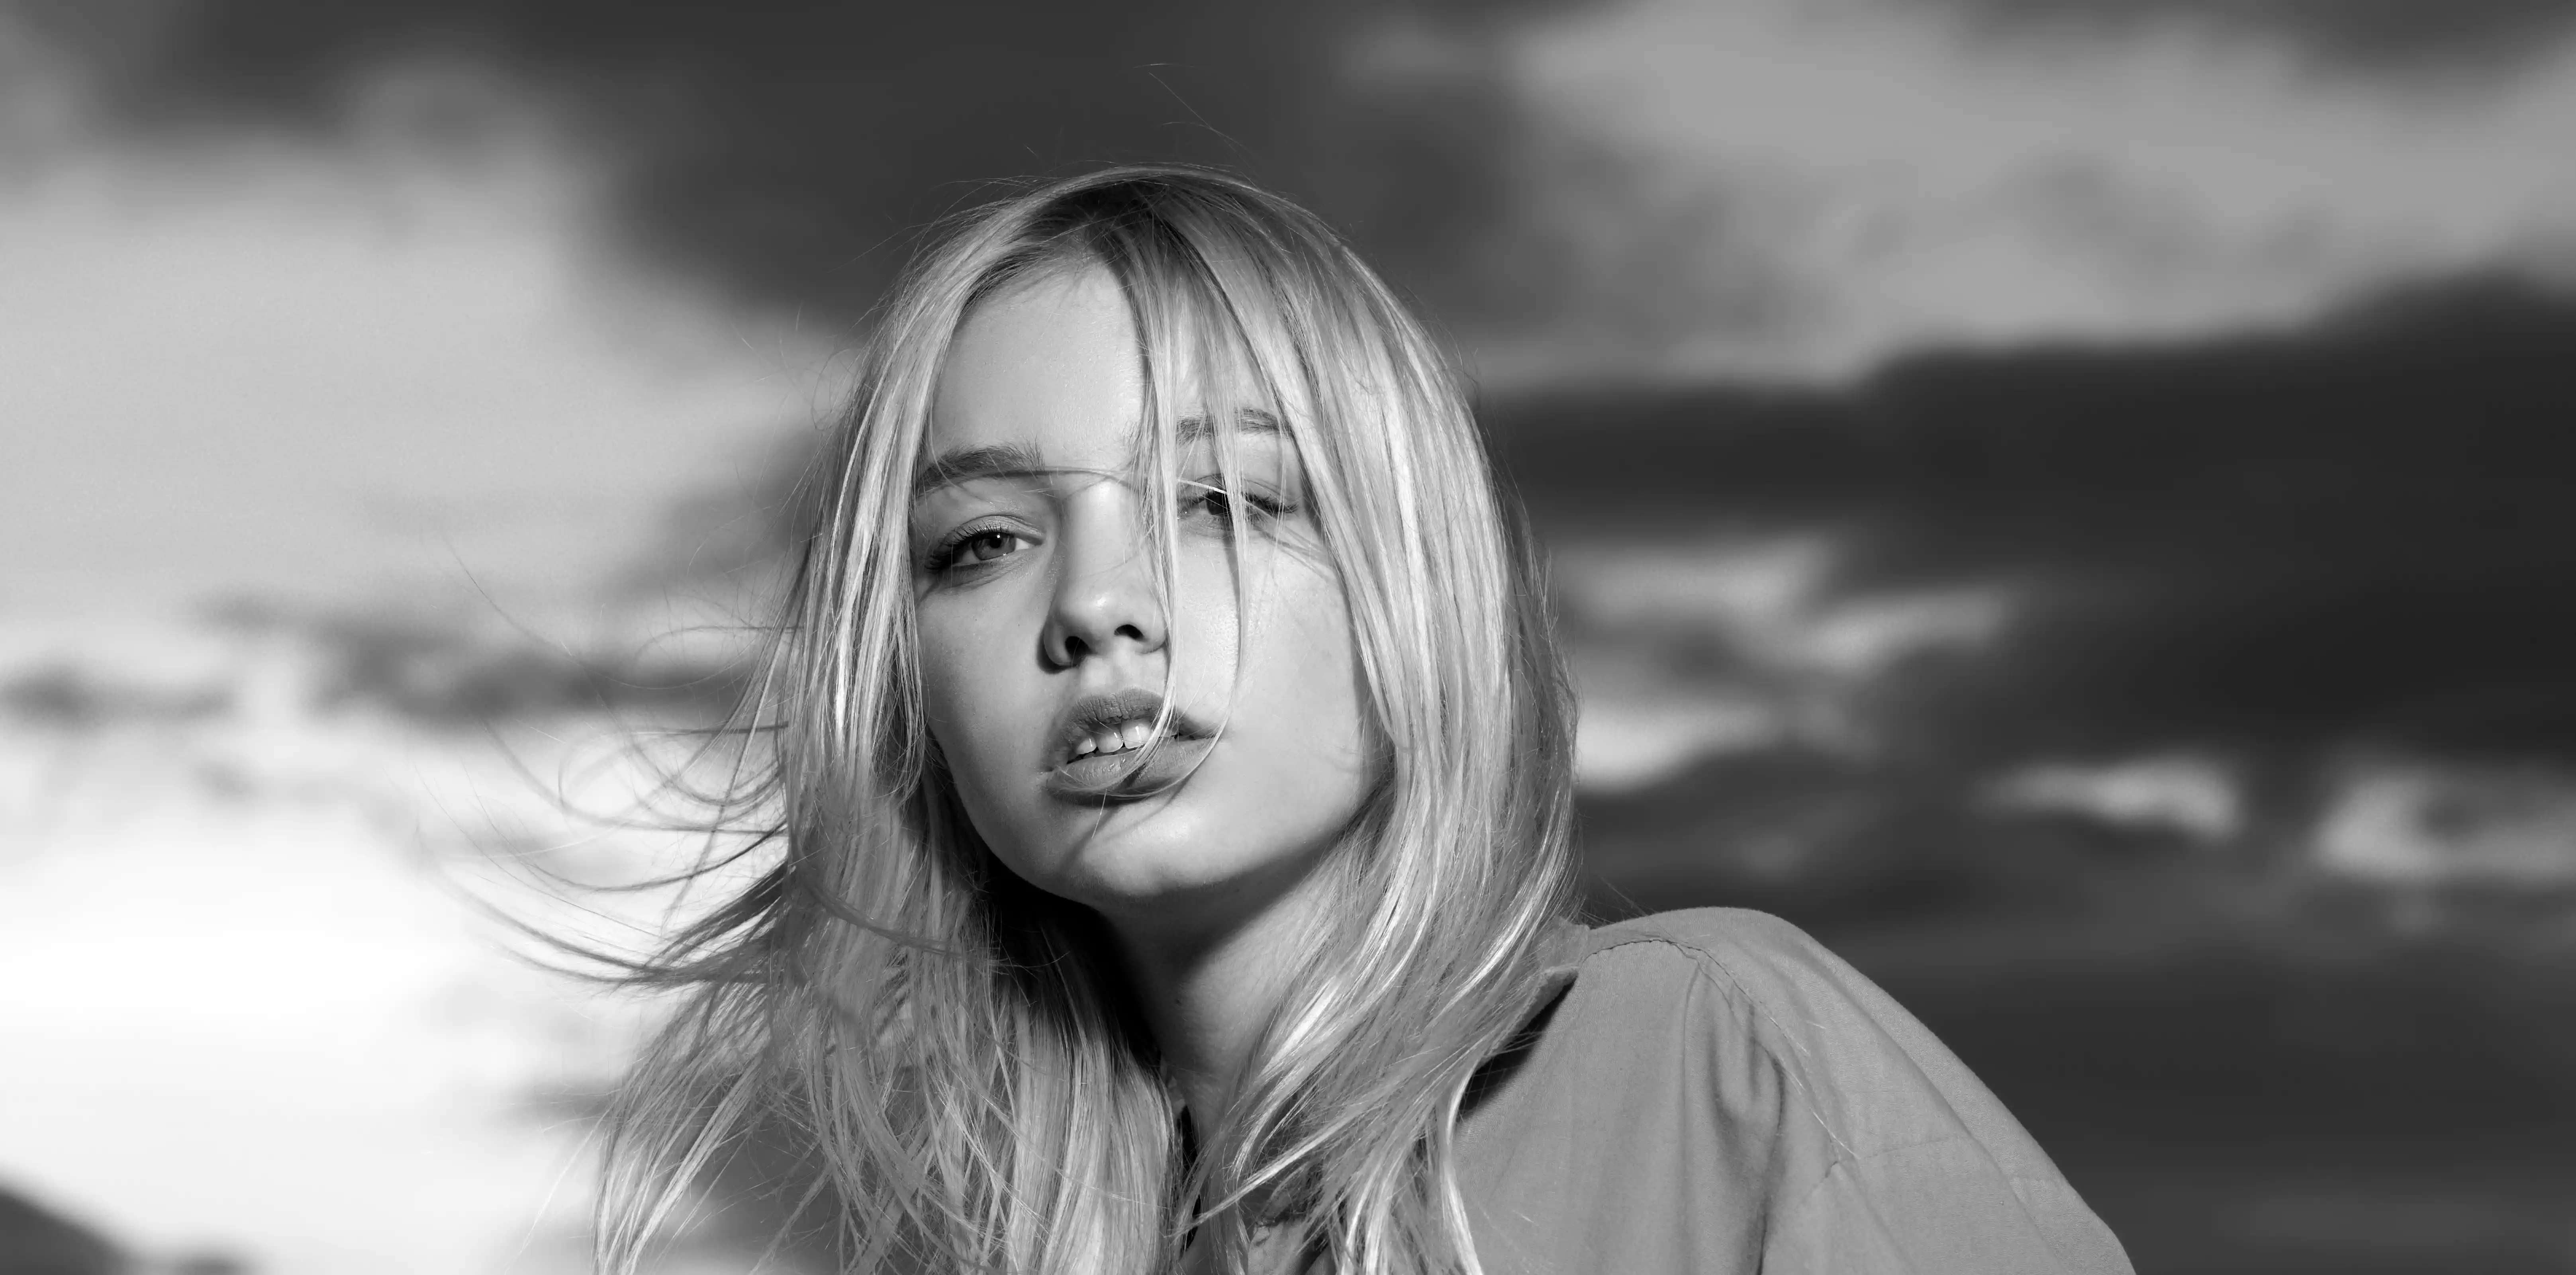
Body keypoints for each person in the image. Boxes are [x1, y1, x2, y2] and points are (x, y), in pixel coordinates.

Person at [597, 165, 2134, 1275]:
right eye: (981, 542)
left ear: (1411, 579)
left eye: (1225, 498)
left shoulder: (1709, 1061)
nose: (1097, 604)